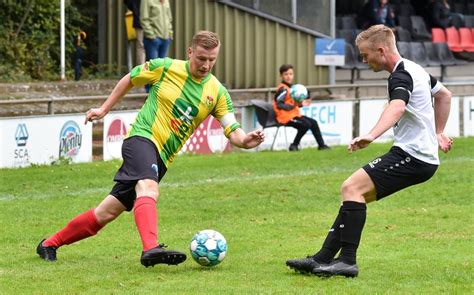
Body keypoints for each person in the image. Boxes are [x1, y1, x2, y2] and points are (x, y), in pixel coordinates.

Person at [36, 31, 265, 267]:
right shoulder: (164, 67)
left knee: (106, 212)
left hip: (163, 157)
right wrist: (104, 109)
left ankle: (49, 244)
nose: (206, 65)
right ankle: (151, 248)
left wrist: (247, 140)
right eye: (201, 58)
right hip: (141, 138)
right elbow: (130, 78)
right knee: (149, 188)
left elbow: (234, 131)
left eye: (212, 60)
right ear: (189, 52)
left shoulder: (217, 92)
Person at [286, 24, 453, 277]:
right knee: (354, 194)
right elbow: (444, 95)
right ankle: (322, 258)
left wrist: (371, 135)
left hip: (412, 156)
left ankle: (347, 261)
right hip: (419, 157)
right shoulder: (415, 69)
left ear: (381, 50)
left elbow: (396, 107)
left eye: (365, 55)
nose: (363, 61)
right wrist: (439, 131)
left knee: (351, 187)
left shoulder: (400, 76)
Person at [273, 64, 329, 152]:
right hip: (285, 118)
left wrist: (302, 104)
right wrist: (292, 106)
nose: (288, 76)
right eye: (286, 74)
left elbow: (293, 104)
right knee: (306, 124)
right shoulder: (283, 89)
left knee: (313, 122)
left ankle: (322, 145)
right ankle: (294, 145)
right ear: (281, 76)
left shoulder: (292, 88)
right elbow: (279, 104)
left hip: (294, 115)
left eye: (290, 74)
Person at [124, 0, 146, 65]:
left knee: (141, 46)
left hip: (141, 20)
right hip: (142, 21)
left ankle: (142, 69)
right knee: (142, 46)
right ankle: (142, 70)